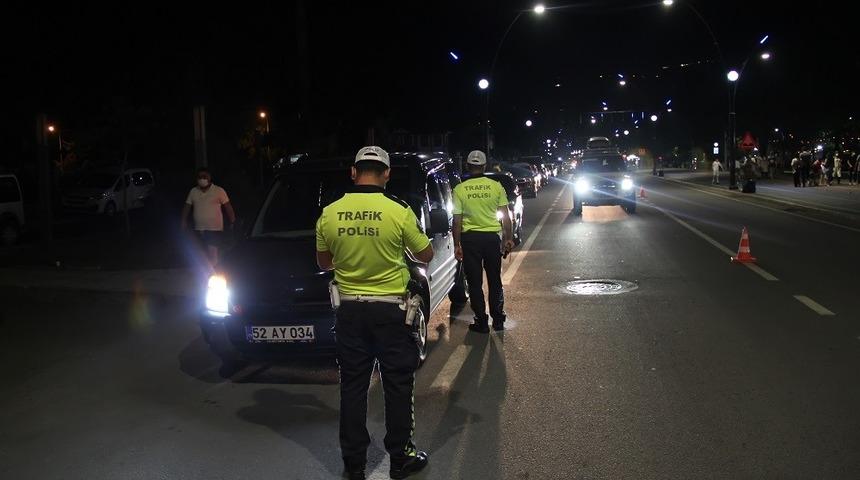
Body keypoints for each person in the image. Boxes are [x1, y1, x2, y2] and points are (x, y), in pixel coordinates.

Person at [315, 146, 433, 480]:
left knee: (352, 386)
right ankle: (401, 457)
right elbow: (425, 253)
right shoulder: (398, 211)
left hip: (349, 311)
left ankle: (354, 465)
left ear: (353, 172)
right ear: (386, 174)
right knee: (397, 384)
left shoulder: (330, 212)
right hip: (392, 312)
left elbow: (324, 263)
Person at [452, 150, 514, 333]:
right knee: (495, 280)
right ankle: (498, 319)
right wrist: (508, 239)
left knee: (475, 282)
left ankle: (481, 320)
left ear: (467, 166)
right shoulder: (496, 186)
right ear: (484, 166)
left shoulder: (460, 189)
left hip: (470, 240)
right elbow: (506, 216)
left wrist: (457, 245)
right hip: (491, 239)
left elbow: (457, 221)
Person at [181, 167, 235, 266]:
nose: (202, 179)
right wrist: (183, 221)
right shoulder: (193, 191)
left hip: (214, 228)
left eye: (204, 176)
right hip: (199, 229)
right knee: (201, 253)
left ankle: (214, 274)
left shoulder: (219, 191)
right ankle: (204, 273)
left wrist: (232, 221)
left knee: (213, 252)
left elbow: (228, 207)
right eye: (200, 177)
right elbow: (187, 206)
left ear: (209, 177)